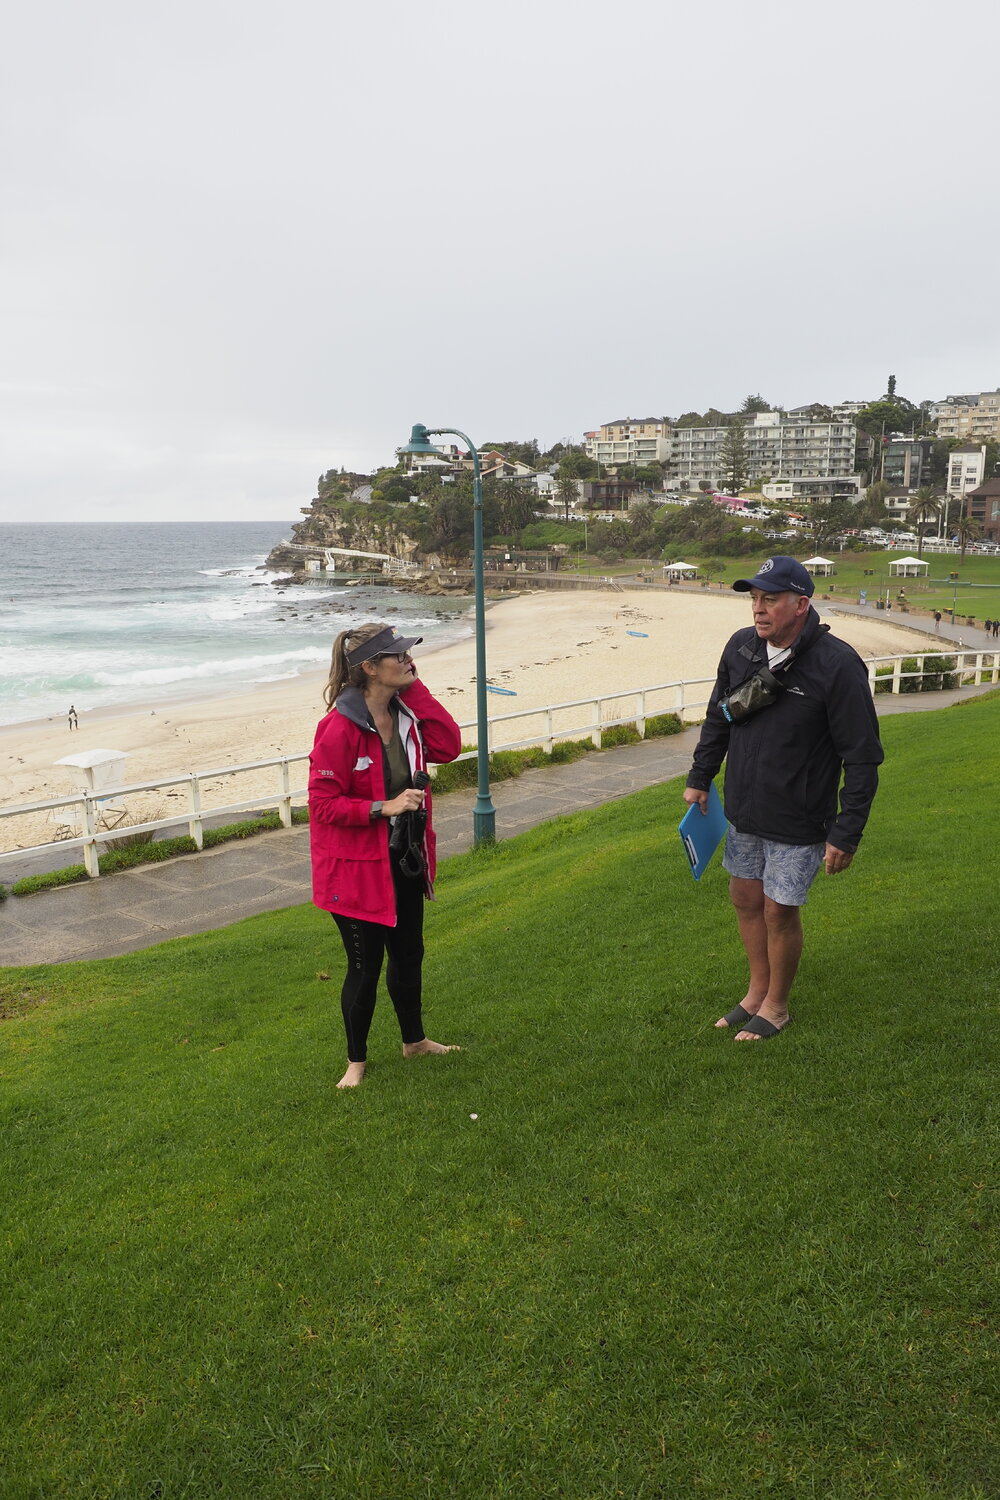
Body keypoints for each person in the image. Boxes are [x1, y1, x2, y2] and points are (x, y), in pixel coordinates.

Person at [683, 557, 884, 1041]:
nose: (758, 609)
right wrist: (700, 775)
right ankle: (755, 991)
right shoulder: (741, 648)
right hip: (745, 808)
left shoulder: (836, 664)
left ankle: (776, 1005)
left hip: (800, 815)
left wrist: (847, 829)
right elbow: (719, 716)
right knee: (745, 897)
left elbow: (862, 756)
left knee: (779, 909)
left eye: (769, 599)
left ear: (801, 604)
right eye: (754, 599)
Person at [309, 622, 463, 1087]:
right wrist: (384, 806)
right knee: (365, 965)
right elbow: (321, 804)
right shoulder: (337, 728)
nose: (407, 660)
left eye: (407, 654)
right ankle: (356, 1061)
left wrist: (415, 688)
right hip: (355, 870)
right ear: (370, 668)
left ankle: (414, 1041)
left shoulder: (406, 715)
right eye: (397, 656)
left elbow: (449, 746)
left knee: (409, 953)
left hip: (403, 855)